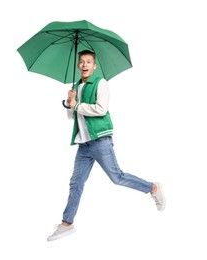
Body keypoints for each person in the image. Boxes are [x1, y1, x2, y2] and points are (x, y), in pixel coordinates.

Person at [47, 50, 166, 241]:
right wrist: (70, 103)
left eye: (88, 62)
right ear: (78, 66)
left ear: (94, 66)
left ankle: (152, 188)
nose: (84, 65)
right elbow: (73, 117)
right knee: (75, 183)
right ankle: (66, 223)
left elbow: (101, 109)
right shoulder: (76, 86)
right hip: (83, 144)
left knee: (117, 177)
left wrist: (77, 105)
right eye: (81, 62)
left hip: (100, 140)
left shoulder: (101, 83)